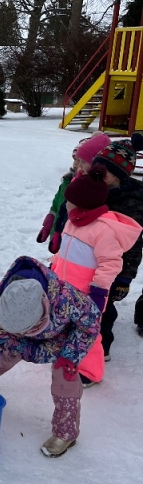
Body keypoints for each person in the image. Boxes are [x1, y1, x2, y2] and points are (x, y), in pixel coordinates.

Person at [0, 256, 101, 458]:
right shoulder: (5, 304)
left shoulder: (67, 298)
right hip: (17, 344)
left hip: (59, 344)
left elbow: (90, 323)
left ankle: (65, 433)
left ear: (45, 304)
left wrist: (71, 354)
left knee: (65, 377)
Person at [50, 166, 141, 386]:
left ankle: (89, 372)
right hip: (64, 288)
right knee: (65, 325)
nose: (66, 204)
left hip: (88, 293)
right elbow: (66, 252)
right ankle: (68, 356)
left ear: (84, 203)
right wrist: (53, 269)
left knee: (88, 333)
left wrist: (99, 291)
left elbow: (110, 263)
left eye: (69, 200)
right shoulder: (73, 221)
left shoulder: (104, 230)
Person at [90, 134, 143, 355]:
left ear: (120, 175)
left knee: (104, 306)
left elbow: (133, 245)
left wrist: (124, 278)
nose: (97, 173)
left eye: (104, 170)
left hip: (115, 266)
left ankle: (102, 347)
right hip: (91, 258)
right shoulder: (96, 188)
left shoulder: (134, 203)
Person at [36, 132, 111, 254]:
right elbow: (57, 205)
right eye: (75, 159)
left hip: (75, 245)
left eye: (81, 160)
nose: (77, 164)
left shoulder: (95, 192)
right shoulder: (68, 181)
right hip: (60, 236)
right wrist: (50, 224)